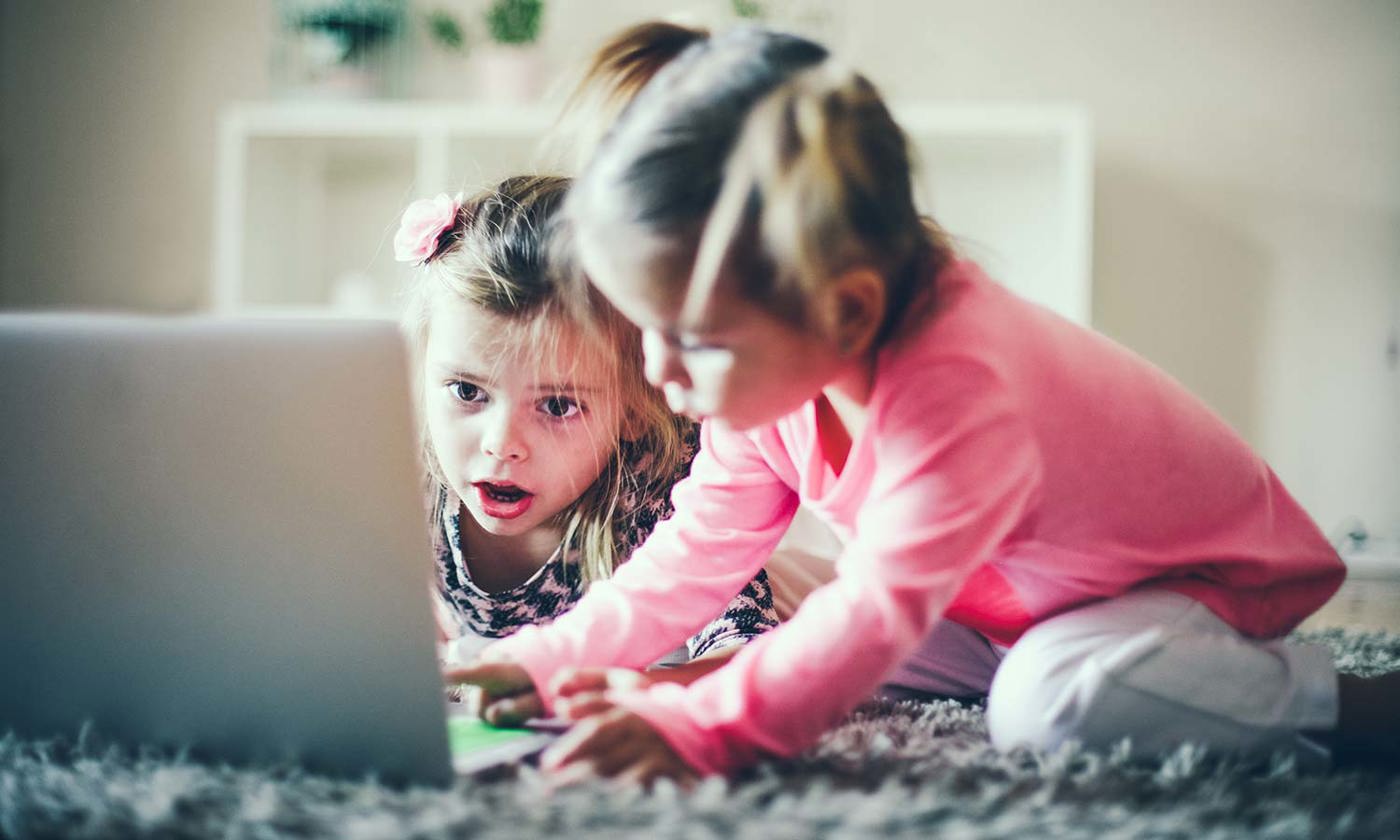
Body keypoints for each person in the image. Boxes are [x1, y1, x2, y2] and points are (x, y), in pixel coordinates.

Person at [451, 25, 1397, 785]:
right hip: (1014, 606)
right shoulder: (771, 382)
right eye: (647, 329)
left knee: (1044, 705)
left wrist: (705, 732)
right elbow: (695, 557)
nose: (659, 371)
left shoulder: (960, 385)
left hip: (1186, 588)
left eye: (693, 338)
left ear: (846, 308)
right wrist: (541, 657)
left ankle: (1353, 708)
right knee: (801, 641)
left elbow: (880, 608)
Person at [395, 175, 778, 718]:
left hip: (797, 577)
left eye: (556, 406)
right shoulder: (399, 480)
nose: (502, 445)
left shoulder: (663, 494)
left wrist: (653, 692)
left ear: (631, 407)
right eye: (467, 391)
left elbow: (756, 650)